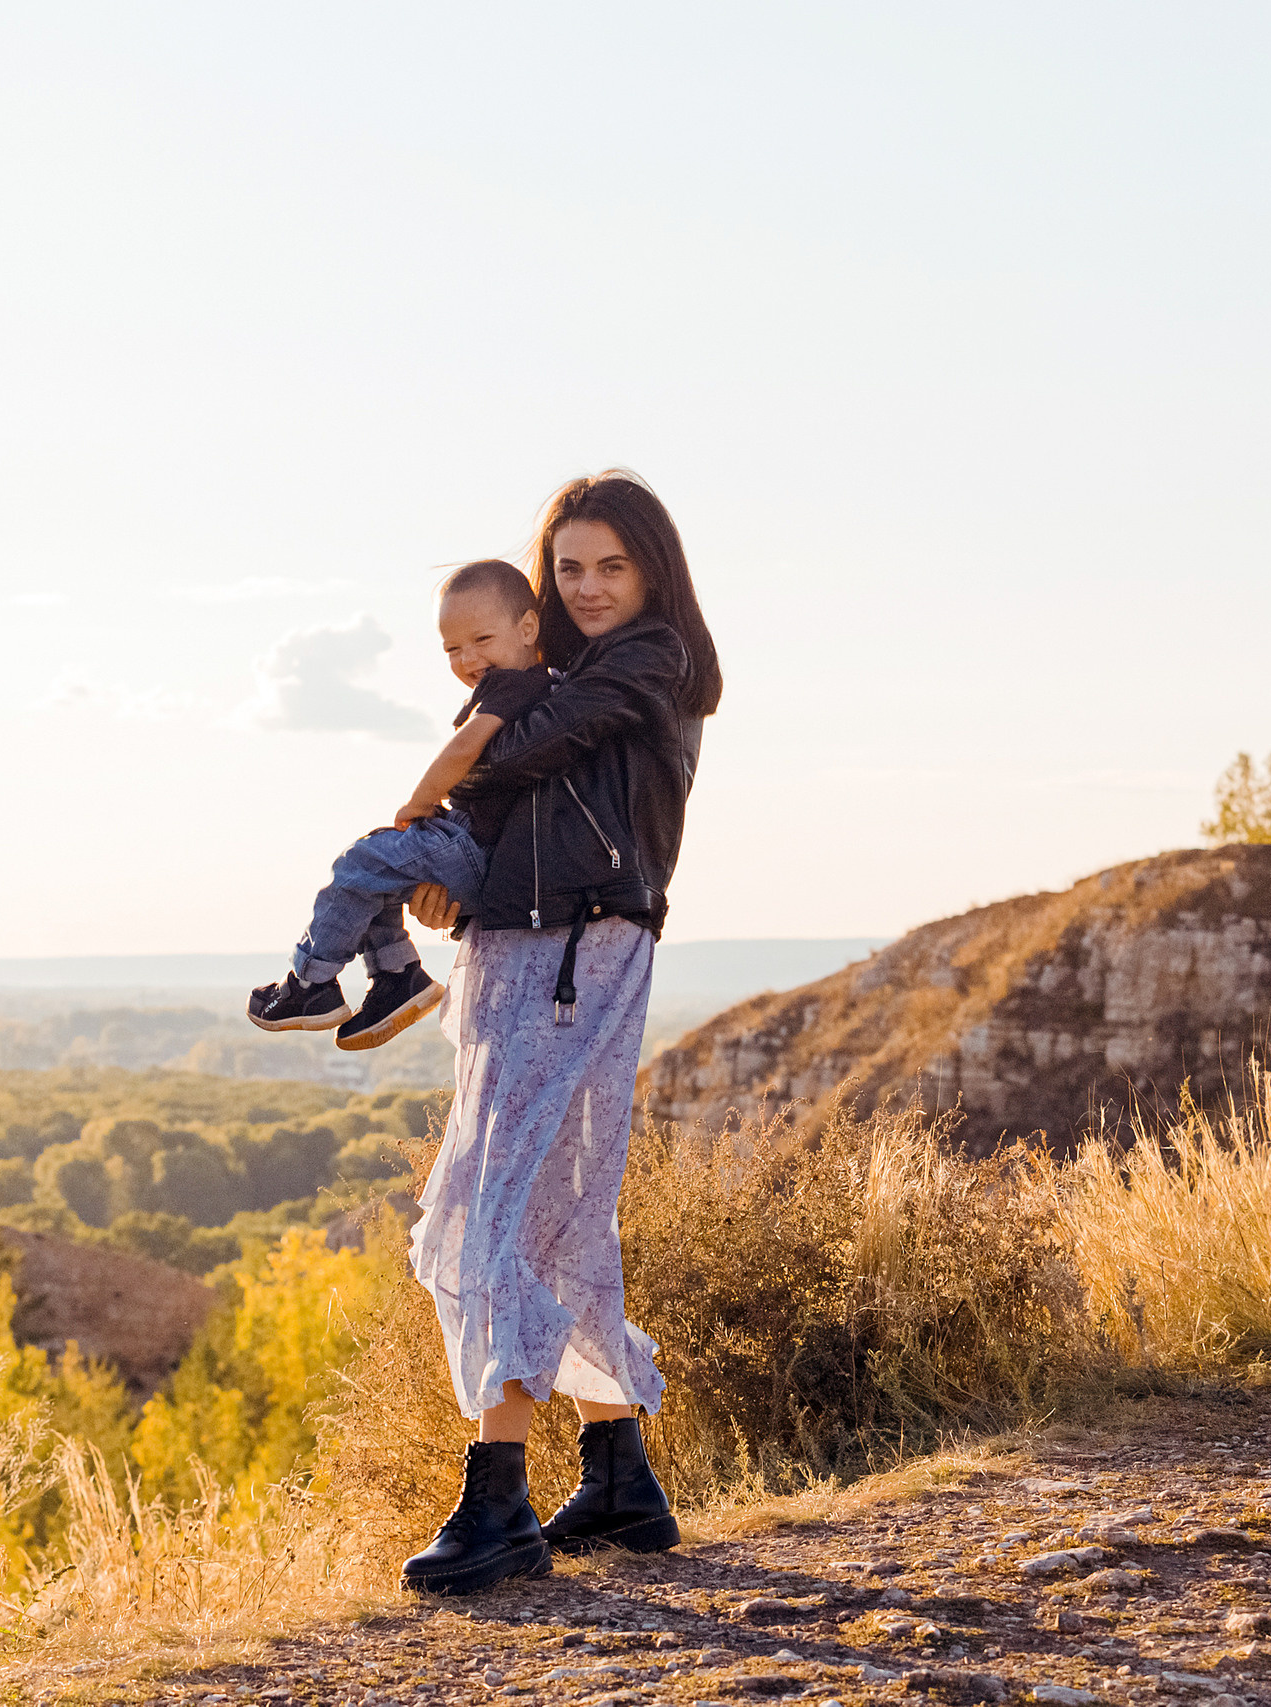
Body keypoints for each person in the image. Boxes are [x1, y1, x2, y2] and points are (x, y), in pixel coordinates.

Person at [394, 471, 722, 1596]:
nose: (588, 587)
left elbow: (516, 758)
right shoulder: (553, 680)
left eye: (611, 567)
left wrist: (432, 803)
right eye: (569, 567)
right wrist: (452, 884)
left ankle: (498, 1502)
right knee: (561, 1210)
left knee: (497, 1207)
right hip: (530, 950)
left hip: (576, 956)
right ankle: (620, 1478)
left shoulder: (646, 663)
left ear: (652, 573)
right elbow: (513, 814)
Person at [246, 560, 559, 1052]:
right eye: (452, 649)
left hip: (473, 846)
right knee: (380, 877)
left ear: (527, 628)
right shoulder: (532, 687)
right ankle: (398, 979)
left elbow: (463, 748)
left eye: (482, 639)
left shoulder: (512, 685)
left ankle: (311, 983)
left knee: (360, 865)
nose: (468, 658)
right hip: (484, 851)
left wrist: (420, 801)